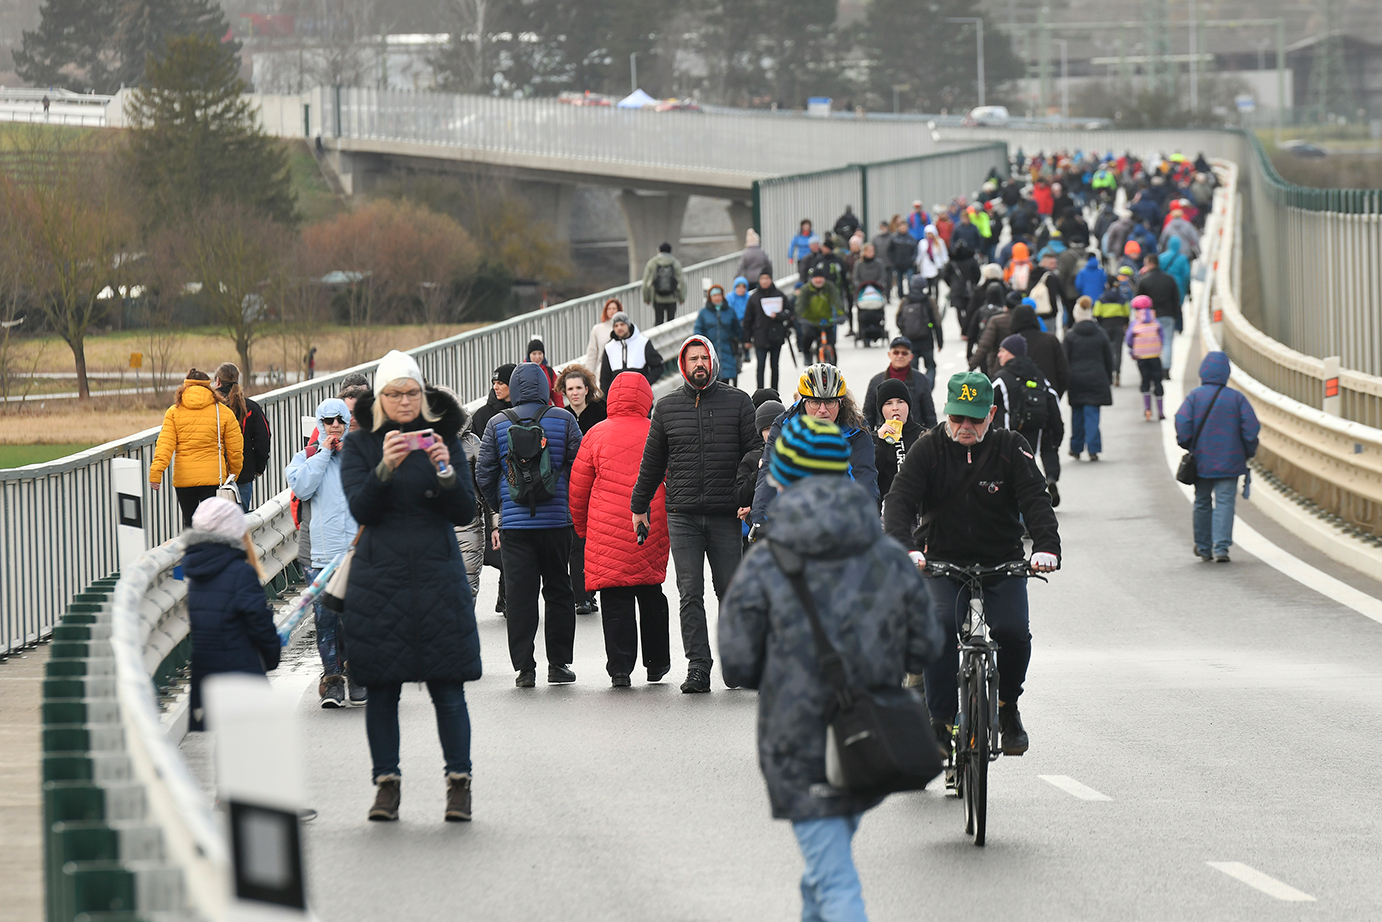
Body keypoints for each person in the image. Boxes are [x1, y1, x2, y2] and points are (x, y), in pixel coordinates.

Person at [719, 414, 943, 922]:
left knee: (835, 878)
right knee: (824, 866)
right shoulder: (886, 555)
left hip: (797, 738)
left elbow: (736, 660)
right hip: (871, 734)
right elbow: (926, 645)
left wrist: (784, 675)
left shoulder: (767, 560)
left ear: (783, 476)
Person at [882, 371, 1061, 758]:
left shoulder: (1011, 448)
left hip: (1002, 561)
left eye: (974, 419)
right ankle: (940, 721)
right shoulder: (928, 449)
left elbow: (1036, 499)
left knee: (1013, 632)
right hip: (941, 561)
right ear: (947, 413)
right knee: (941, 627)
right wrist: (903, 548)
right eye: (957, 418)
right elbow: (899, 501)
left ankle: (1007, 708)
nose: (965, 427)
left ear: (991, 414)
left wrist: (1046, 545)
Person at [339, 350, 480, 823]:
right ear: (380, 398)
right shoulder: (360, 445)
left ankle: (459, 785)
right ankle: (386, 785)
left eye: (412, 392)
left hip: (439, 577)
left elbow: (464, 511)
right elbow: (361, 510)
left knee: (449, 689)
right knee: (381, 690)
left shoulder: (443, 437)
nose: (404, 401)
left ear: (423, 394)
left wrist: (444, 470)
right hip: (380, 582)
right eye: (394, 393)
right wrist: (384, 468)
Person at [630, 336, 760, 694]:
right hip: (683, 515)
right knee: (690, 593)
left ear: (713, 362)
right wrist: (638, 506)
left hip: (725, 514)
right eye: (692, 359)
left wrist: (749, 495)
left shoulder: (738, 402)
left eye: (704, 357)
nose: (698, 364)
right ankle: (698, 666)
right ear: (683, 366)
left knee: (729, 591)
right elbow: (652, 463)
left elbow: (755, 455)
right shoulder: (667, 408)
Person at [476, 362, 583, 688]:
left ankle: (525, 669)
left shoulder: (496, 423)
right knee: (559, 590)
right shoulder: (564, 419)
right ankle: (559, 664)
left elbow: (483, 472)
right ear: (546, 385)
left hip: (515, 528)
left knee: (520, 597)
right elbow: (580, 467)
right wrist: (567, 503)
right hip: (555, 524)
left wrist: (502, 505)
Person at [568, 373, 672, 687]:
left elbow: (578, 489)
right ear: (646, 398)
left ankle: (620, 668)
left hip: (606, 527)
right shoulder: (657, 431)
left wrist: (583, 529)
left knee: (615, 600)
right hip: (650, 523)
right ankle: (657, 664)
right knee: (651, 592)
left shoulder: (596, 434)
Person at [286, 398, 363, 708]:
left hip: (356, 553)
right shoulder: (304, 458)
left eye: (340, 420)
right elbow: (302, 488)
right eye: (328, 420)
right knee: (326, 619)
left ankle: (357, 674)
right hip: (321, 555)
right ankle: (331, 679)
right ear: (319, 424)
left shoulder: (359, 456)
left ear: (347, 423)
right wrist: (325, 453)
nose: (335, 426)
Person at [183, 497, 280, 733]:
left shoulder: (195, 573)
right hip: (240, 671)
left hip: (206, 674)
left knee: (227, 746)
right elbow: (259, 621)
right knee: (253, 744)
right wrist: (271, 656)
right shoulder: (240, 573)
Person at [752, 364, 879, 527]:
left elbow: (865, 477)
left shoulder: (857, 430)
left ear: (841, 402)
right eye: (815, 402)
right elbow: (769, 471)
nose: (822, 410)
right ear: (803, 402)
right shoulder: (784, 425)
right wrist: (760, 519)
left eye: (830, 402)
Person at [1175, 352, 1261, 563]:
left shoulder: (1195, 397)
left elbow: (1182, 422)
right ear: (1226, 373)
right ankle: (1221, 548)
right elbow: (1251, 429)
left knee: (1202, 501)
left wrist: (1188, 444)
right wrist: (1247, 452)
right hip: (1230, 460)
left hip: (1203, 460)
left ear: (1203, 371)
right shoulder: (1236, 398)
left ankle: (1204, 547)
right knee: (1224, 502)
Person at [149, 369, 244, 527]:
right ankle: (212, 551)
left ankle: (193, 549)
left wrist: (156, 473)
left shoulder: (173, 413)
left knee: (190, 523)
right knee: (213, 526)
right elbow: (236, 450)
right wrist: (233, 474)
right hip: (215, 478)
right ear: (210, 388)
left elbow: (165, 445)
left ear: (185, 387)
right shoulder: (223, 412)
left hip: (184, 480)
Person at [992, 335, 1064, 507]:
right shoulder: (1037, 375)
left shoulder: (1002, 378)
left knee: (1013, 478)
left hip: (1009, 436)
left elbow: (984, 402)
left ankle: (1021, 520)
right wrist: (1057, 435)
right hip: (1035, 431)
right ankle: (1046, 485)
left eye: (1002, 351)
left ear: (1012, 353)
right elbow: (1052, 400)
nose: (999, 355)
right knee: (1029, 473)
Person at [558, 365, 607, 617]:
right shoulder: (561, 416)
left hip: (600, 486)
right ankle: (581, 596)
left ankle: (593, 590)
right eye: (570, 389)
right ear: (564, 392)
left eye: (579, 388)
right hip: (572, 487)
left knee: (596, 542)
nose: (575, 393)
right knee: (577, 542)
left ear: (587, 390)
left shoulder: (601, 413)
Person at [211, 363, 270, 510]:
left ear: (218, 381)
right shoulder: (251, 408)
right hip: (243, 474)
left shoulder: (212, 408)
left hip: (214, 474)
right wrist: (259, 467)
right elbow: (263, 439)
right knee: (239, 523)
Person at [1063, 300, 1115, 461]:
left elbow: (1064, 361)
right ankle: (1093, 448)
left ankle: (1076, 447)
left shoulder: (1070, 336)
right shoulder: (1100, 334)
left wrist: (1065, 381)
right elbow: (1109, 358)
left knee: (1077, 414)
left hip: (1076, 379)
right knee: (1092, 414)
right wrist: (1108, 377)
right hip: (1096, 378)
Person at [736, 399, 785, 550]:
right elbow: (740, 497)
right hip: (757, 535)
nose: (772, 433)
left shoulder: (797, 455)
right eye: (767, 428)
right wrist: (759, 471)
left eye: (776, 427)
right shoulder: (752, 458)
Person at [860, 337, 938, 430]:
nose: (900, 356)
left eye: (904, 353)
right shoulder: (876, 381)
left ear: (911, 356)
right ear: (889, 354)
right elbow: (869, 416)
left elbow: (929, 416)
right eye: (896, 352)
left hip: (915, 438)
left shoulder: (921, 380)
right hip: (884, 437)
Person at [873, 377, 925, 498]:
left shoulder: (923, 435)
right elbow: (870, 476)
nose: (895, 407)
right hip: (885, 509)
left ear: (908, 405)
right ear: (881, 409)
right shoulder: (872, 439)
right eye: (888, 403)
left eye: (900, 402)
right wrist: (882, 444)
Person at [742, 271, 793, 391]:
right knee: (760, 367)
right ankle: (760, 392)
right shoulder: (754, 297)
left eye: (767, 278)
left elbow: (790, 312)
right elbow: (748, 319)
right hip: (760, 336)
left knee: (775, 366)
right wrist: (747, 339)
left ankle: (774, 392)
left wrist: (778, 316)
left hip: (776, 336)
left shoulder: (779, 294)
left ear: (771, 279)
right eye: (762, 279)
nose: (764, 281)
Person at [1136, 254, 1182, 380]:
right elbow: (1176, 298)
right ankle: (1166, 369)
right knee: (1167, 342)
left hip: (1150, 318)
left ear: (1150, 264)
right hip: (1168, 315)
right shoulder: (1169, 279)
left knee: (1153, 343)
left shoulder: (1144, 281)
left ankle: (1155, 369)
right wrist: (1174, 315)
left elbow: (1138, 301)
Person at [599, 311, 664, 393]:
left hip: (640, 395)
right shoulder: (609, 347)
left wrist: (645, 384)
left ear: (628, 325)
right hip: (617, 398)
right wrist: (605, 401)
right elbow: (604, 377)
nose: (619, 328)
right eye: (616, 326)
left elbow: (658, 366)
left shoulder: (643, 343)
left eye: (622, 324)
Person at [1126, 296, 1166, 421]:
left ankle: (1147, 409)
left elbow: (1128, 339)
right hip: (1155, 355)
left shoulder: (1135, 323)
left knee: (1145, 381)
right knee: (1158, 381)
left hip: (1141, 357)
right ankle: (1160, 411)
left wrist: (1134, 348)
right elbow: (1162, 336)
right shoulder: (1155, 321)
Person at [694, 284, 743, 386]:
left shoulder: (730, 311)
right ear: (710, 298)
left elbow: (738, 330)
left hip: (728, 350)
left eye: (719, 295)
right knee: (712, 378)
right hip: (711, 350)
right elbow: (698, 330)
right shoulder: (704, 313)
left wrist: (745, 342)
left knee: (728, 381)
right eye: (714, 295)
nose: (717, 298)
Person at [895, 284, 943, 385]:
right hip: (926, 341)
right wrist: (940, 341)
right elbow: (937, 321)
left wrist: (904, 331)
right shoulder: (929, 300)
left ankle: (916, 391)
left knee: (913, 369)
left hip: (910, 341)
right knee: (930, 366)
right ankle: (928, 389)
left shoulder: (905, 300)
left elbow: (898, 319)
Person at [795, 268, 843, 361]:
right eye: (816, 278)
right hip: (810, 321)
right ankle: (807, 353)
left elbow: (836, 301)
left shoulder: (829, 287)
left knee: (831, 343)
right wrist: (801, 317)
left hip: (827, 320)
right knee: (808, 336)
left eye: (820, 278)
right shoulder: (806, 289)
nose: (818, 280)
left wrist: (841, 314)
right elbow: (800, 304)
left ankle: (833, 367)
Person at [1094, 271, 1133, 386]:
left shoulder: (1102, 298)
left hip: (1105, 325)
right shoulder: (1122, 298)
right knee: (1118, 350)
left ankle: (1108, 374)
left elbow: (1096, 313)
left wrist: (1101, 323)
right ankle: (1118, 373)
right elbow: (1127, 313)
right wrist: (1126, 323)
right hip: (1119, 325)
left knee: (1107, 351)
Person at [642, 242, 686, 326]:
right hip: (672, 297)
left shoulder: (652, 262)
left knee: (658, 321)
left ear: (659, 251)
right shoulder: (675, 263)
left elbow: (645, 282)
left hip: (657, 297)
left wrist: (646, 298)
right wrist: (681, 297)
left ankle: (658, 338)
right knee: (671, 322)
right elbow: (682, 281)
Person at [583, 298, 623, 374]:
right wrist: (588, 374)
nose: (612, 311)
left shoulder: (623, 329)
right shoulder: (597, 329)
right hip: (602, 369)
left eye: (614, 309)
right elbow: (592, 353)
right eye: (609, 309)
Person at [914, 224, 948, 308]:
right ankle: (929, 302)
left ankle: (936, 301)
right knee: (927, 287)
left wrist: (945, 262)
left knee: (935, 285)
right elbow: (920, 255)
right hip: (925, 267)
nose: (929, 235)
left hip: (936, 267)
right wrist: (917, 263)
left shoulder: (939, 242)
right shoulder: (922, 243)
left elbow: (943, 254)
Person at [524, 338, 564, 408]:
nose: (537, 357)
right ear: (529, 355)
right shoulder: (522, 372)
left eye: (540, 353)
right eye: (534, 354)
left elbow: (557, 394)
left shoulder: (549, 372)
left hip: (546, 411)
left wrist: (562, 412)